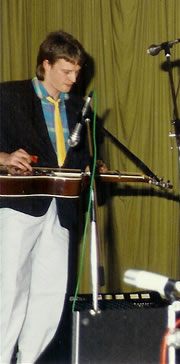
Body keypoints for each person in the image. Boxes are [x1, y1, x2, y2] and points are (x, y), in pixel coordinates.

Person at [0, 30, 94, 363]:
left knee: (50, 292)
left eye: (77, 72)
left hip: (62, 210)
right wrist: (4, 158)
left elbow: (81, 158)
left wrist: (91, 168)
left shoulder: (78, 108)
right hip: (19, 207)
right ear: (46, 65)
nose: (74, 79)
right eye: (67, 71)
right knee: (10, 287)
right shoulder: (9, 96)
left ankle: (31, 359)